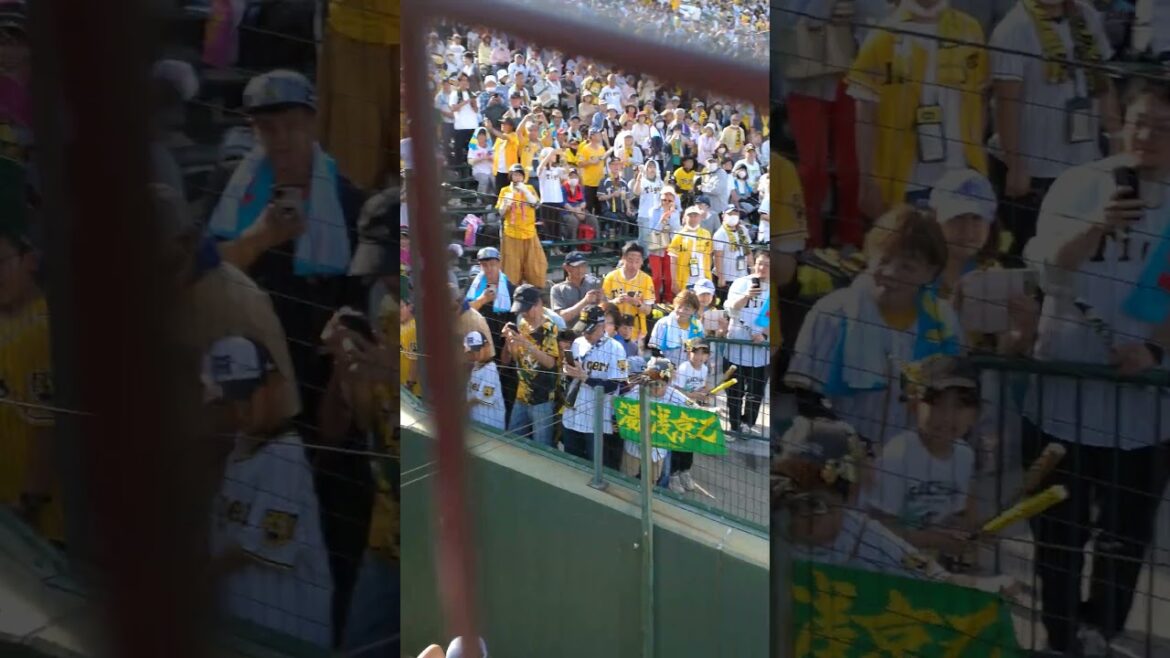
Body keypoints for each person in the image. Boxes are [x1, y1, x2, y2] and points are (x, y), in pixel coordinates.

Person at [1019, 78, 1170, 655]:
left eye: (1162, 127)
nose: (1146, 135)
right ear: (1120, 123)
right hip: (1063, 400)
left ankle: (1103, 630)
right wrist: (1099, 225)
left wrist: (1153, 351)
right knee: (1058, 533)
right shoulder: (1079, 183)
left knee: (1124, 539)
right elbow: (1047, 267)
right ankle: (1061, 637)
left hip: (1144, 410)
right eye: (1139, 122)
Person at [207, 69, 366, 424]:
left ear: (312, 124)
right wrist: (259, 238)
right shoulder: (230, 188)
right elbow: (203, 272)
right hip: (245, 352)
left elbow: (356, 294)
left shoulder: (346, 199)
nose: (280, 139)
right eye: (267, 128)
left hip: (317, 358)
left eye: (291, 126)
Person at [773, 417, 1017, 594]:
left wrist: (985, 587)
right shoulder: (772, 527)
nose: (800, 514)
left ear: (845, 497)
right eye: (792, 500)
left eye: (815, 503)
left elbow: (935, 577)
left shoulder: (864, 535)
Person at [785, 208, 961, 448]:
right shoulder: (832, 312)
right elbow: (806, 400)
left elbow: (955, 400)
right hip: (842, 455)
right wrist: (856, 448)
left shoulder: (944, 321)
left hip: (915, 457)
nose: (890, 273)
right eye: (884, 260)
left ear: (930, 272)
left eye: (907, 266)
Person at [203, 335, 333, 648]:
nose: (241, 410)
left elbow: (260, 547)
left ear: (273, 385)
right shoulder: (237, 451)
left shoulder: (286, 453)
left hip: (289, 637)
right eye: (230, 400)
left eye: (247, 395)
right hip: (247, 632)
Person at [988, 0, 1119, 260]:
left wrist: (1117, 135)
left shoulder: (1086, 15)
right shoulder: (1014, 28)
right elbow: (1006, 102)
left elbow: (1102, 83)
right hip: (1037, 172)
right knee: (1035, 254)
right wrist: (1015, 164)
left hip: (1085, 163)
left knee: (1082, 252)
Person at [847, 0, 989, 217]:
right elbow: (865, 116)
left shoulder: (970, 30)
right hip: (906, 183)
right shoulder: (882, 38)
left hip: (961, 175)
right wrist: (867, 179)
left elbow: (980, 99)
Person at [867, 355, 980, 561]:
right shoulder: (898, 454)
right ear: (913, 404)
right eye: (936, 403)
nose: (947, 416)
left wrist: (966, 534)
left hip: (930, 565)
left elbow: (959, 514)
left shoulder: (965, 456)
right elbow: (879, 529)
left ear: (975, 415)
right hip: (887, 563)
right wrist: (936, 540)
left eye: (959, 405)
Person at [0, 221, 61, 544]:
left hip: (41, 523)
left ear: (30, 260)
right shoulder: (7, 321)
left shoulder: (45, 327)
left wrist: (28, 502)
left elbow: (48, 428)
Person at [560, 305, 629, 464]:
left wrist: (585, 378)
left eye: (589, 331)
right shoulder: (578, 343)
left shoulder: (616, 348)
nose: (585, 334)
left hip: (597, 420)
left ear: (601, 326)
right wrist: (568, 370)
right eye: (583, 329)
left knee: (596, 465)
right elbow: (571, 375)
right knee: (571, 463)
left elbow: (614, 385)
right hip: (573, 414)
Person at [503, 284, 560, 447]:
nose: (523, 313)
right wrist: (510, 342)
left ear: (538, 305)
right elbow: (516, 358)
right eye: (520, 310)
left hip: (542, 399)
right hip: (521, 395)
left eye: (525, 309)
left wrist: (526, 344)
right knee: (512, 441)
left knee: (542, 446)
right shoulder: (522, 324)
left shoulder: (549, 328)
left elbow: (550, 363)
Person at [725, 248, 771, 437]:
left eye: (767, 265)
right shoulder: (741, 282)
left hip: (761, 351)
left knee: (755, 391)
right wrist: (747, 296)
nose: (763, 268)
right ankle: (735, 426)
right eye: (760, 263)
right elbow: (730, 309)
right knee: (734, 390)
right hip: (736, 345)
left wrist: (765, 336)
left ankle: (748, 423)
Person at [620, 357, 680, 485]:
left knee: (652, 480)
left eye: (662, 384)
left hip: (658, 449)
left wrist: (711, 411)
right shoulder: (636, 393)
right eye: (653, 383)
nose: (657, 388)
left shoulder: (673, 394)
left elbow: (692, 407)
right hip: (633, 446)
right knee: (627, 476)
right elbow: (620, 406)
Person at [494, 163, 548, 287]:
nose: (517, 177)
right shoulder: (505, 190)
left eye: (519, 175)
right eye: (514, 175)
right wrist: (506, 203)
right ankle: (512, 289)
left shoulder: (529, 188)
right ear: (510, 176)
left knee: (536, 263)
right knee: (511, 266)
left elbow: (536, 204)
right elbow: (501, 212)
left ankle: (536, 288)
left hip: (529, 232)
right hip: (511, 233)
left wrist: (525, 191)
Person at [669, 339, 711, 494]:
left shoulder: (704, 369)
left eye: (703, 353)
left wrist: (706, 392)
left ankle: (685, 471)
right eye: (696, 352)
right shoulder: (684, 368)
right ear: (689, 353)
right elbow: (677, 391)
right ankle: (673, 475)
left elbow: (702, 386)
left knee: (690, 444)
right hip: (680, 412)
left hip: (694, 411)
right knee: (678, 444)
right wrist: (695, 395)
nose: (699, 356)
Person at [602, 241, 656, 343]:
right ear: (623, 259)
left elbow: (648, 310)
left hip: (637, 331)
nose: (633, 265)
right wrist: (615, 301)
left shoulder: (646, 279)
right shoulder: (611, 277)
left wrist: (637, 303)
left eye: (637, 261)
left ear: (642, 262)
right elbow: (602, 306)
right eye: (630, 260)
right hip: (614, 330)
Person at [648, 289, 705, 367]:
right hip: (663, 368)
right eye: (679, 307)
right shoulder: (663, 323)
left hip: (687, 369)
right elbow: (654, 351)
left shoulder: (698, 326)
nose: (681, 311)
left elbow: (700, 351)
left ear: (694, 310)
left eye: (686, 309)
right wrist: (668, 369)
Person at [465, 330, 506, 430]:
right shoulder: (475, 367)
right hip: (478, 425)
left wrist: (463, 407)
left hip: (492, 428)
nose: (475, 354)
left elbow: (485, 396)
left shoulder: (490, 368)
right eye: (472, 351)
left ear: (486, 346)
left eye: (477, 349)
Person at [644, 187, 681, 300]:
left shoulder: (676, 213)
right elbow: (653, 230)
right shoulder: (653, 211)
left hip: (670, 247)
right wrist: (663, 219)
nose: (666, 202)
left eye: (669, 200)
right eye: (664, 200)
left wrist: (670, 215)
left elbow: (676, 229)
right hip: (656, 245)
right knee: (657, 277)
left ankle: (668, 300)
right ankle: (654, 300)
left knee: (669, 278)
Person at [669, 206, 713, 295]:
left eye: (695, 215)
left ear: (700, 217)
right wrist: (674, 281)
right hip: (685, 280)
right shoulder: (678, 236)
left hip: (702, 278)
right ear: (684, 217)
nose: (693, 218)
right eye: (690, 215)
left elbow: (709, 255)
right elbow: (673, 261)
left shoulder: (706, 234)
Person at [551, 251, 604, 324]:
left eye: (583, 266)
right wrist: (585, 301)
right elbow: (560, 318)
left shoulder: (595, 283)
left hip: (595, 328)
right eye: (576, 266)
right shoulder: (557, 289)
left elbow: (607, 310)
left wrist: (601, 300)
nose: (580, 270)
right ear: (566, 267)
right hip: (571, 330)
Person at [535, 147, 567, 241]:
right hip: (547, 201)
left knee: (557, 226)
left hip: (557, 200)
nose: (555, 156)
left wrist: (563, 156)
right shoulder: (542, 170)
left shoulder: (556, 169)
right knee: (548, 226)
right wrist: (550, 153)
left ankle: (557, 246)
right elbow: (540, 168)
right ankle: (550, 246)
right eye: (553, 155)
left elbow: (566, 172)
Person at [578, 127, 609, 215]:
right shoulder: (585, 149)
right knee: (589, 207)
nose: (600, 135)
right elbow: (580, 163)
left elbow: (603, 163)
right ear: (592, 136)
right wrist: (590, 162)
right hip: (589, 183)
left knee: (600, 207)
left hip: (600, 182)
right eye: (598, 134)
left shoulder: (602, 148)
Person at [467, 127, 494, 197]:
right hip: (478, 171)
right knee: (484, 179)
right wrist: (481, 158)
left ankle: (494, 199)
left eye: (483, 135)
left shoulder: (490, 147)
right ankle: (480, 199)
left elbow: (495, 159)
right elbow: (470, 161)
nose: (481, 137)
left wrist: (490, 158)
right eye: (479, 135)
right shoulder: (473, 148)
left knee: (495, 179)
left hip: (491, 170)